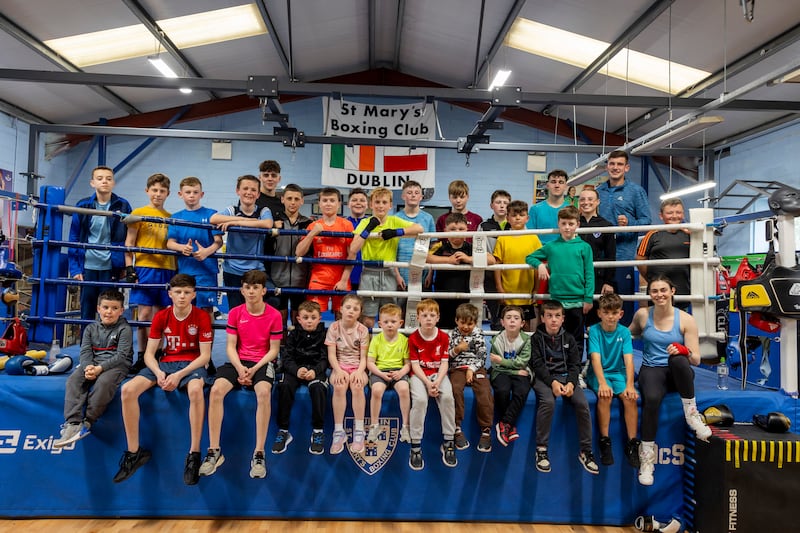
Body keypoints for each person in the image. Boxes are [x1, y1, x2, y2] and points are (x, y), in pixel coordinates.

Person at [113, 274, 213, 485]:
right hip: (166, 362)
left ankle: (194, 454)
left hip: (191, 363)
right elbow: (149, 354)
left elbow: (205, 356)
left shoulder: (202, 317)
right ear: (170, 294)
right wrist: (159, 373)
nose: (182, 296)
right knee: (128, 390)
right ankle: (134, 452)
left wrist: (178, 375)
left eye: (187, 292)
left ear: (194, 295)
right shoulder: (161, 316)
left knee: (195, 390)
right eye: (178, 292)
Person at [629, 274, 711, 486]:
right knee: (653, 399)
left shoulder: (685, 319)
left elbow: (696, 359)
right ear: (650, 295)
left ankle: (692, 414)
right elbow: (626, 334)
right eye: (654, 291)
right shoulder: (642, 315)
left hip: (678, 372)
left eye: (663, 290)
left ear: (672, 291)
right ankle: (647, 459)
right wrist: (603, 331)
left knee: (678, 359)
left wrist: (684, 349)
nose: (659, 295)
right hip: (652, 369)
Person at [199, 269, 283, 479]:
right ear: (242, 290)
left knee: (263, 392)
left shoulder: (274, 315)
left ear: (264, 291)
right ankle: (214, 450)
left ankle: (259, 453)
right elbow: (230, 347)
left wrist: (254, 370)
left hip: (263, 362)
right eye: (247, 287)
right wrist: (239, 368)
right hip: (239, 361)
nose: (251, 291)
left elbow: (274, 350)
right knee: (216, 390)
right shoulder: (236, 312)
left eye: (256, 287)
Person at [53, 290, 133, 448]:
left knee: (103, 383)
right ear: (98, 309)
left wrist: (99, 369)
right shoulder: (90, 329)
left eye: (114, 308)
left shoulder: (125, 329)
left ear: (121, 310)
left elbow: (121, 355)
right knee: (73, 380)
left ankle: (87, 422)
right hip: (93, 363)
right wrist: (88, 366)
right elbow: (85, 351)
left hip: (116, 366)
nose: (109, 311)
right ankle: (73, 423)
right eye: (106, 307)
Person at [529, 300, 599, 474]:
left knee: (582, 404)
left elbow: (575, 364)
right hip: (544, 378)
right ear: (542, 318)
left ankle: (586, 451)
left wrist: (570, 382)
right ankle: (541, 450)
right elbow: (537, 364)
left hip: (566, 378)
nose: (553, 320)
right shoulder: (536, 339)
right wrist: (552, 383)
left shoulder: (569, 338)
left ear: (563, 319)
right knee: (548, 402)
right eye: (549, 316)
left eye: (557, 316)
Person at [345, 187, 424, 328]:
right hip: (369, 272)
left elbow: (419, 228)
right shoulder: (365, 222)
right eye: (377, 202)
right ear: (371, 204)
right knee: (368, 319)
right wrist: (368, 229)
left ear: (390, 205)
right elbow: (353, 248)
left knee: (390, 316)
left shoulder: (394, 221)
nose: (380, 206)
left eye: (384, 202)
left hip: (389, 272)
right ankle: (368, 349)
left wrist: (396, 232)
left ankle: (388, 348)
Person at [525, 206, 594, 360]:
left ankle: (574, 370)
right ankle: (558, 365)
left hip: (577, 301)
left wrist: (588, 298)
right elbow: (529, 257)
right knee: (556, 336)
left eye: (571, 223)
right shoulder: (551, 247)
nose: (567, 227)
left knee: (576, 338)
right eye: (563, 223)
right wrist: (540, 265)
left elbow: (589, 273)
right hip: (556, 301)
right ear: (558, 224)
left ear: (578, 224)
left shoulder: (584, 247)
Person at [68, 166, 132, 324]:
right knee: (87, 311)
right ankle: (86, 347)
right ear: (92, 183)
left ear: (114, 183)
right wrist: (75, 268)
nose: (105, 181)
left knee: (110, 312)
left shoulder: (123, 205)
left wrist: (124, 265)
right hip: (87, 266)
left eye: (109, 179)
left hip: (111, 266)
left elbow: (129, 237)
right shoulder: (83, 205)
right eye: (100, 178)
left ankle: (108, 346)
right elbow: (73, 237)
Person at [125, 173, 175, 366]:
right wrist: (130, 268)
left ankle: (157, 354)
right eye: (154, 190)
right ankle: (142, 355)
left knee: (161, 315)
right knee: (144, 315)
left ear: (168, 194)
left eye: (162, 191)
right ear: (147, 191)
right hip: (145, 268)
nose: (158, 194)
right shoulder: (138, 213)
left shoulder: (171, 218)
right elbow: (129, 243)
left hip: (167, 269)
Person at [596, 150, 651, 324]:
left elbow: (647, 222)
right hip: (601, 259)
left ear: (626, 168)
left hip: (623, 259)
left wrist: (630, 223)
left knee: (622, 309)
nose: (615, 167)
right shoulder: (599, 192)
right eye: (612, 164)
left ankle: (624, 349)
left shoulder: (636, 191)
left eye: (620, 164)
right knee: (600, 307)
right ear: (607, 167)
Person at [586, 293, 640, 467]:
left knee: (629, 397)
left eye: (614, 313)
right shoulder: (594, 330)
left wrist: (630, 385)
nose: (610, 316)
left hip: (618, 373)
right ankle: (605, 441)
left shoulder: (624, 332)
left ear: (620, 314)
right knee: (605, 395)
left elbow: (629, 360)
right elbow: (595, 358)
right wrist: (602, 382)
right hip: (599, 373)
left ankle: (632, 444)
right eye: (606, 312)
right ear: (599, 313)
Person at [273, 300, 329, 455]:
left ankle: (318, 431)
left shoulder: (324, 335)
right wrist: (296, 370)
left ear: (319, 318)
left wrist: (315, 371)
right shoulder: (292, 335)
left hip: (315, 370)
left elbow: (325, 359)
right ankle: (283, 430)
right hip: (296, 370)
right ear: (298, 319)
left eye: (313, 317)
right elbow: (286, 358)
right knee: (284, 385)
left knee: (318, 387)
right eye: (305, 317)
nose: (309, 321)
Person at [407, 299, 457, 470]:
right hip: (420, 375)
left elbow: (444, 363)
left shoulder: (443, 337)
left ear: (438, 318)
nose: (428, 318)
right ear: (418, 318)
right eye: (424, 315)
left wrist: (437, 381)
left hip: (438, 374)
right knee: (420, 400)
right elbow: (414, 365)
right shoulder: (413, 338)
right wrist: (428, 383)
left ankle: (449, 440)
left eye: (432, 315)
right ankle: (415, 445)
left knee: (448, 397)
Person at [212, 174, 274, 310]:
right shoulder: (232, 210)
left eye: (253, 190)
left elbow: (268, 224)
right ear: (237, 191)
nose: (249, 193)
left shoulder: (263, 211)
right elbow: (213, 219)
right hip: (232, 270)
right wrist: (250, 221)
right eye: (245, 188)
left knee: (260, 310)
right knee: (236, 312)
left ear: (258, 194)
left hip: (256, 270)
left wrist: (234, 221)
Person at [166, 176, 223, 320]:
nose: (192, 195)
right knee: (184, 308)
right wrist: (181, 247)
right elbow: (170, 243)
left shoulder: (211, 214)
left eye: (195, 192)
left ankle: (206, 342)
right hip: (185, 270)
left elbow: (218, 241)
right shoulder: (176, 217)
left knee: (207, 310)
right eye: (188, 192)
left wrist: (206, 252)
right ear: (181, 194)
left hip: (206, 270)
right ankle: (190, 342)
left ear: (201, 194)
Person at [427, 212, 496, 329]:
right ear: (445, 230)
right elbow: (426, 258)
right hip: (443, 298)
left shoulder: (471, 248)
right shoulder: (440, 247)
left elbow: (491, 260)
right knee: (444, 329)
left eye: (461, 229)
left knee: (464, 329)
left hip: (465, 298)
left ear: (467, 230)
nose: (457, 232)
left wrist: (469, 259)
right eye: (452, 229)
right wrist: (448, 260)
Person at [294, 188, 353, 317]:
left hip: (341, 277)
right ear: (319, 204)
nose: (328, 203)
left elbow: (352, 255)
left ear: (338, 203)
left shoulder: (346, 225)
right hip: (319, 278)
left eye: (332, 200)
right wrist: (312, 234)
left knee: (342, 317)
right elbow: (299, 253)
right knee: (313, 315)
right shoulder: (313, 226)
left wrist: (344, 280)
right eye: (325, 200)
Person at [325, 293, 370, 454]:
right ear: (341, 309)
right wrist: (338, 370)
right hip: (339, 365)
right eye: (348, 307)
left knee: (357, 386)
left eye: (355, 309)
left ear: (360, 313)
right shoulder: (333, 328)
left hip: (358, 366)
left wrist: (359, 371)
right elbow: (331, 355)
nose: (351, 311)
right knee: (339, 386)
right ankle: (338, 432)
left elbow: (364, 357)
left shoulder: (362, 330)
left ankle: (359, 432)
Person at [448, 303, 494, 452]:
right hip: (457, 368)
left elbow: (482, 355)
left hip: (476, 367)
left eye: (470, 323)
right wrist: (456, 349)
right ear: (456, 320)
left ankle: (486, 430)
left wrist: (471, 369)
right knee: (454, 389)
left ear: (475, 323)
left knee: (485, 391)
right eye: (463, 323)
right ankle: (457, 428)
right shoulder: (451, 334)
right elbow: (446, 356)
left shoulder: (478, 333)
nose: (466, 327)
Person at [366, 303, 411, 445]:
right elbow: (370, 363)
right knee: (377, 390)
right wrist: (381, 374)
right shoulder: (376, 340)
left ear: (400, 323)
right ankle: (374, 426)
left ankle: (406, 426)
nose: (390, 325)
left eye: (393, 322)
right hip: (380, 371)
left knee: (404, 389)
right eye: (386, 322)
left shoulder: (404, 340)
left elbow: (408, 363)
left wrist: (401, 372)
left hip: (398, 370)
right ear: (379, 324)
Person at [493, 200, 541, 331]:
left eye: (521, 215)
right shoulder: (503, 238)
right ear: (507, 218)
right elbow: (497, 265)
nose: (518, 218)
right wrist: (499, 288)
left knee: (525, 329)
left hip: (526, 294)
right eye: (514, 215)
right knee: (508, 328)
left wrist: (536, 288)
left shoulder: (533, 238)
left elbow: (537, 266)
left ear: (527, 218)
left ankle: (524, 352)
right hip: (508, 294)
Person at [269, 183, 312, 326]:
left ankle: (294, 347)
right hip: (277, 277)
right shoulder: (273, 222)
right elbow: (266, 249)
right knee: (279, 318)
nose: (292, 202)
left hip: (300, 278)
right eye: (289, 198)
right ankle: (281, 347)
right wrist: (273, 230)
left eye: (296, 198)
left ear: (302, 201)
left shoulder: (308, 224)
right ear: (282, 200)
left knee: (297, 317)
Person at [636, 199, 691, 310]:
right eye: (670, 213)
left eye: (678, 212)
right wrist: (651, 277)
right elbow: (640, 259)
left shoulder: (690, 234)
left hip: (683, 290)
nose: (674, 216)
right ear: (661, 216)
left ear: (683, 214)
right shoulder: (652, 234)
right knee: (657, 322)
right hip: (658, 291)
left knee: (680, 322)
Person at [490, 305, 532, 446]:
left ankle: (505, 423)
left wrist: (503, 361)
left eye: (516, 318)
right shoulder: (497, 340)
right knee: (502, 390)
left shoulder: (526, 340)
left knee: (521, 391)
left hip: (521, 372)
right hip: (501, 372)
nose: (512, 321)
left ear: (522, 323)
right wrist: (512, 369)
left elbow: (522, 362)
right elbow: (496, 365)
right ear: (502, 322)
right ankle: (509, 426)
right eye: (508, 318)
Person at [578, 187, 616, 326]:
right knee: (576, 318)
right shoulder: (573, 224)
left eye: (590, 199)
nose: (586, 202)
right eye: (582, 199)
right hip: (576, 277)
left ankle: (594, 348)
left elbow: (611, 255)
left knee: (594, 320)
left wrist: (609, 281)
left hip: (597, 277)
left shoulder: (606, 225)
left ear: (597, 202)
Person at [395, 180, 436, 301]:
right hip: (401, 273)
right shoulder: (395, 219)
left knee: (422, 313)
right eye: (409, 192)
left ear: (421, 197)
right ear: (403, 196)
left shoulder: (428, 218)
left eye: (416, 192)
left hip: (422, 273)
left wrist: (430, 272)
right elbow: (391, 249)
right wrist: (396, 275)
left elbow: (433, 247)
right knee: (400, 313)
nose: (413, 195)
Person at [480, 189, 511, 330]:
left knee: (512, 316)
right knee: (497, 318)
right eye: (498, 202)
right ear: (491, 205)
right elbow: (480, 250)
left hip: (511, 275)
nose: (502, 205)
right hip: (491, 276)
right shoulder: (484, 226)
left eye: (505, 203)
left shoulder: (516, 226)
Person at [526, 169, 570, 244]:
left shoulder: (571, 210)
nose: (557, 185)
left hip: (564, 252)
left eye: (561, 182)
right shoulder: (535, 209)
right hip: (541, 253)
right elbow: (530, 237)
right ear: (547, 185)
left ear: (565, 186)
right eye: (553, 182)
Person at [345, 188, 369, 290]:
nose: (358, 203)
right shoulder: (343, 224)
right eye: (354, 200)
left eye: (362, 200)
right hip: (347, 274)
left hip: (368, 274)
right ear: (348, 204)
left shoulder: (373, 224)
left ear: (367, 205)